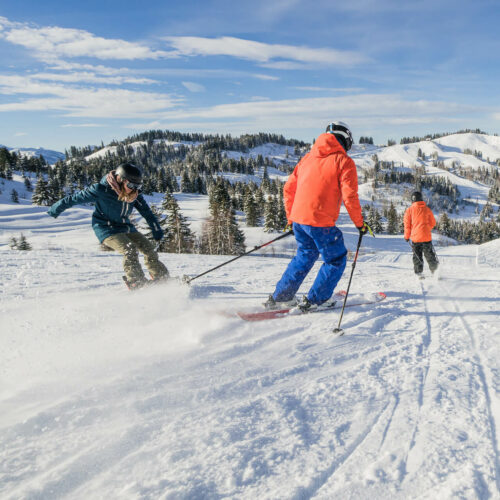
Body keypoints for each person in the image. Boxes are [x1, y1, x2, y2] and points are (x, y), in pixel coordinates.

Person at [265, 121, 368, 312]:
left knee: (305, 254)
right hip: (320, 222)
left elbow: (288, 189)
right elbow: (350, 196)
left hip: (299, 221)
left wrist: (290, 219)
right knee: (336, 259)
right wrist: (360, 224)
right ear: (345, 139)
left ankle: (282, 297)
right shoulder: (343, 161)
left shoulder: (307, 159)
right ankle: (317, 299)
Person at [48, 162, 169, 288]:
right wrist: (55, 209)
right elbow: (74, 198)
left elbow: (147, 212)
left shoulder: (134, 194)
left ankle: (162, 278)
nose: (134, 189)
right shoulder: (101, 190)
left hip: (125, 227)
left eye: (138, 186)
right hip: (106, 229)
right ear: (120, 179)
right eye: (131, 185)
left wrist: (156, 228)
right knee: (129, 249)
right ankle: (136, 282)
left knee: (149, 249)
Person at [404, 191, 439, 277]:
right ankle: (436, 271)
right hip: (426, 237)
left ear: (412, 200)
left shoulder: (409, 210)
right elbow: (433, 223)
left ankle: (418, 272)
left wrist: (407, 236)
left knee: (417, 255)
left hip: (416, 238)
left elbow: (407, 225)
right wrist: (426, 229)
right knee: (430, 255)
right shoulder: (427, 209)